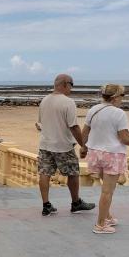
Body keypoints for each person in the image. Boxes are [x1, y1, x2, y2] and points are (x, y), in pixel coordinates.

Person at [81, 84, 129, 234]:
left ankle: (107, 217)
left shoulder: (93, 110)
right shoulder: (119, 113)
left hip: (95, 153)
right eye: (122, 95)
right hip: (112, 155)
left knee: (105, 189)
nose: (123, 98)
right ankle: (100, 225)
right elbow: (125, 139)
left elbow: (85, 132)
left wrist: (83, 147)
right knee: (107, 192)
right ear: (115, 97)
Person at [37, 74, 95, 216]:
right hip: (63, 145)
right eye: (71, 84)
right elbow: (74, 127)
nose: (72, 88)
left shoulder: (44, 100)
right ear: (64, 84)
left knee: (44, 173)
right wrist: (83, 145)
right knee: (73, 173)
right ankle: (76, 203)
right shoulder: (68, 102)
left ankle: (46, 205)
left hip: (45, 144)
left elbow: (39, 123)